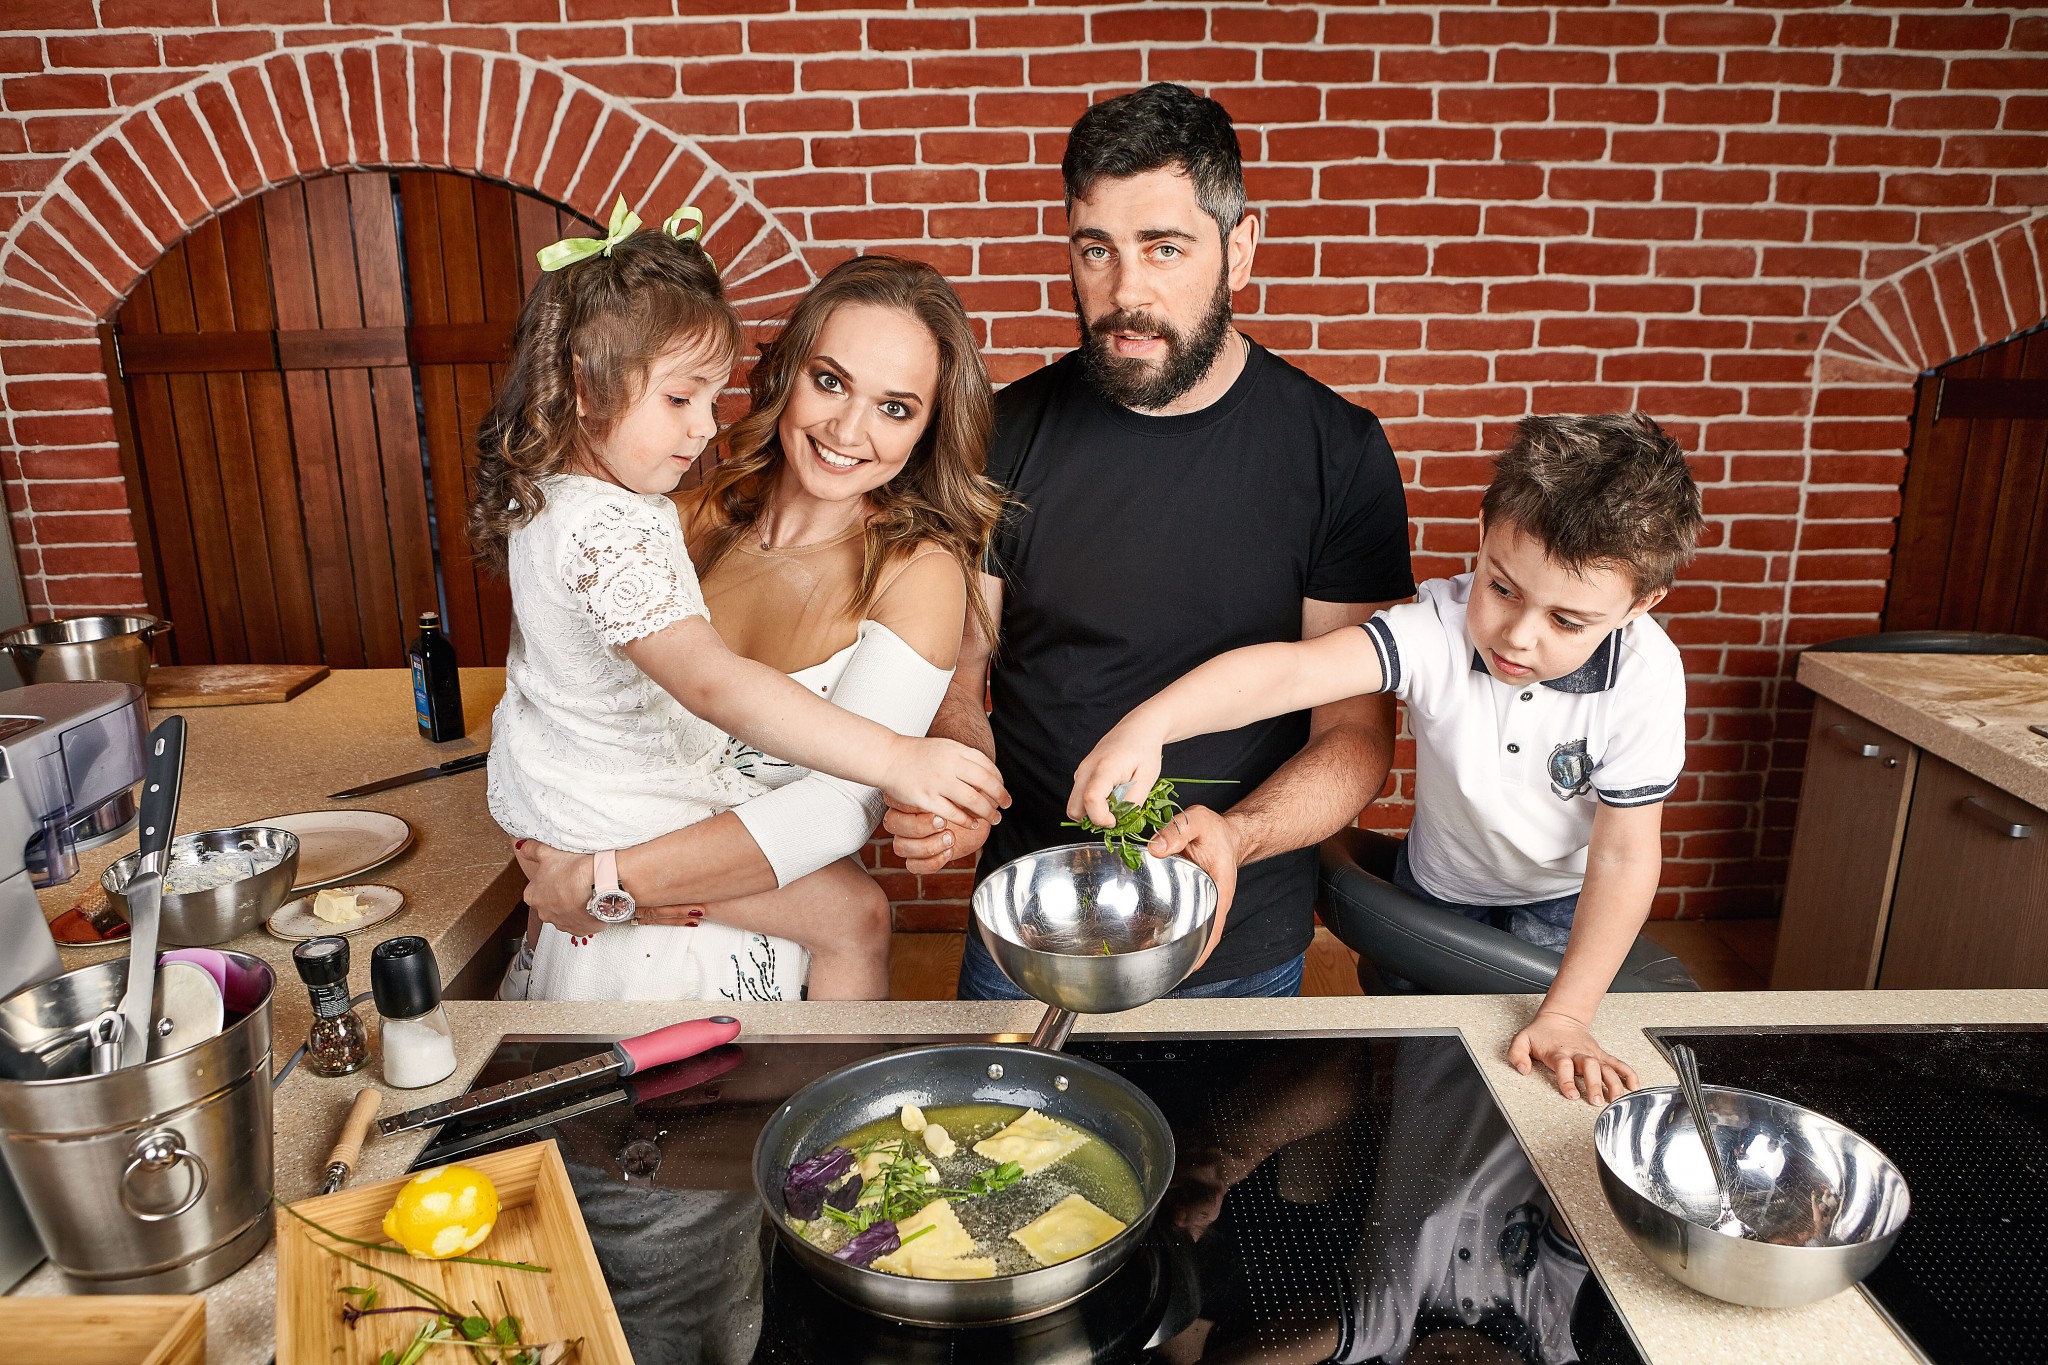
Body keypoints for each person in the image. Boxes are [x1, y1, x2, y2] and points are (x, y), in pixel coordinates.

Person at [885, 82, 1415, 998]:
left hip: (1238, 933)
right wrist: (961, 778)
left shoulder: (1338, 452)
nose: (1126, 292)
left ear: (1240, 247)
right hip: (1033, 918)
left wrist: (1238, 836)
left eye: (1165, 248)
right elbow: (960, 676)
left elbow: (1354, 737)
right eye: (1097, 249)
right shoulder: (1001, 435)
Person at [1072, 413, 1701, 1102]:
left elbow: (1624, 856)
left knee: (1525, 1078)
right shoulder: (1437, 628)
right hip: (1437, 888)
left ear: (1640, 603)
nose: (1518, 637)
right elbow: (1290, 673)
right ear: (1484, 530)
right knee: (1408, 1066)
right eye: (1502, 588)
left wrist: (1570, 1015)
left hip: (1561, 906)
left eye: (1567, 621)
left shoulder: (1644, 677)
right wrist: (1151, 723)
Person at [472, 214, 1005, 1003]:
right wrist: (561, 852)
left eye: (896, 408)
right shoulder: (663, 521)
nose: (848, 429)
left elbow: (833, 812)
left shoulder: (914, 571)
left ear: (928, 428)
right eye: (830, 381)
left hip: (733, 951)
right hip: (588, 942)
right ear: (786, 370)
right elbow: (559, 705)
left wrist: (604, 880)